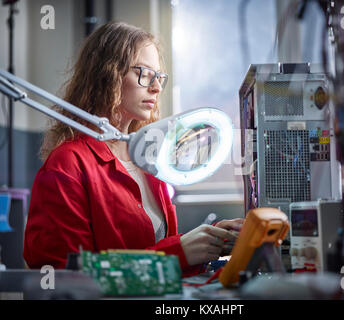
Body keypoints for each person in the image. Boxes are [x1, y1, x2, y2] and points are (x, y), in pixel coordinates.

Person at [23, 22, 243, 277]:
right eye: (145, 74)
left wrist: (211, 241)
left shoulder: (150, 161)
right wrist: (179, 253)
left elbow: (157, 254)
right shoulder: (68, 164)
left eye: (159, 77)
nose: (157, 87)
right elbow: (61, 276)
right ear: (108, 74)